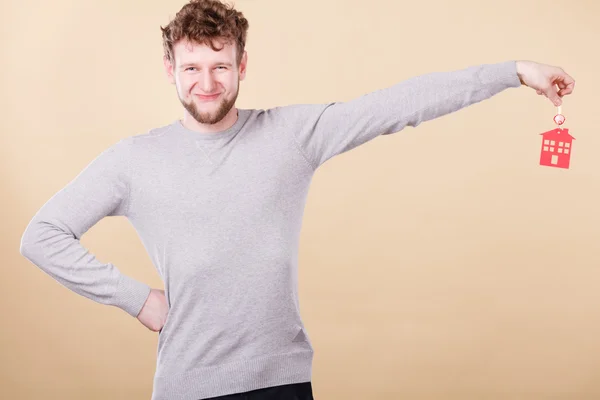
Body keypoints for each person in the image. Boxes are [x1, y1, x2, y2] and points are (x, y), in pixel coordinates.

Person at [19, 0, 575, 399]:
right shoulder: (134, 160)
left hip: (281, 381)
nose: (206, 82)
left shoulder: (291, 135)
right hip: (188, 385)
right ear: (171, 71)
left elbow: (395, 105)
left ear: (242, 66)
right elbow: (41, 236)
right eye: (191, 67)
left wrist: (512, 72)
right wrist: (136, 299)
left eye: (219, 65)